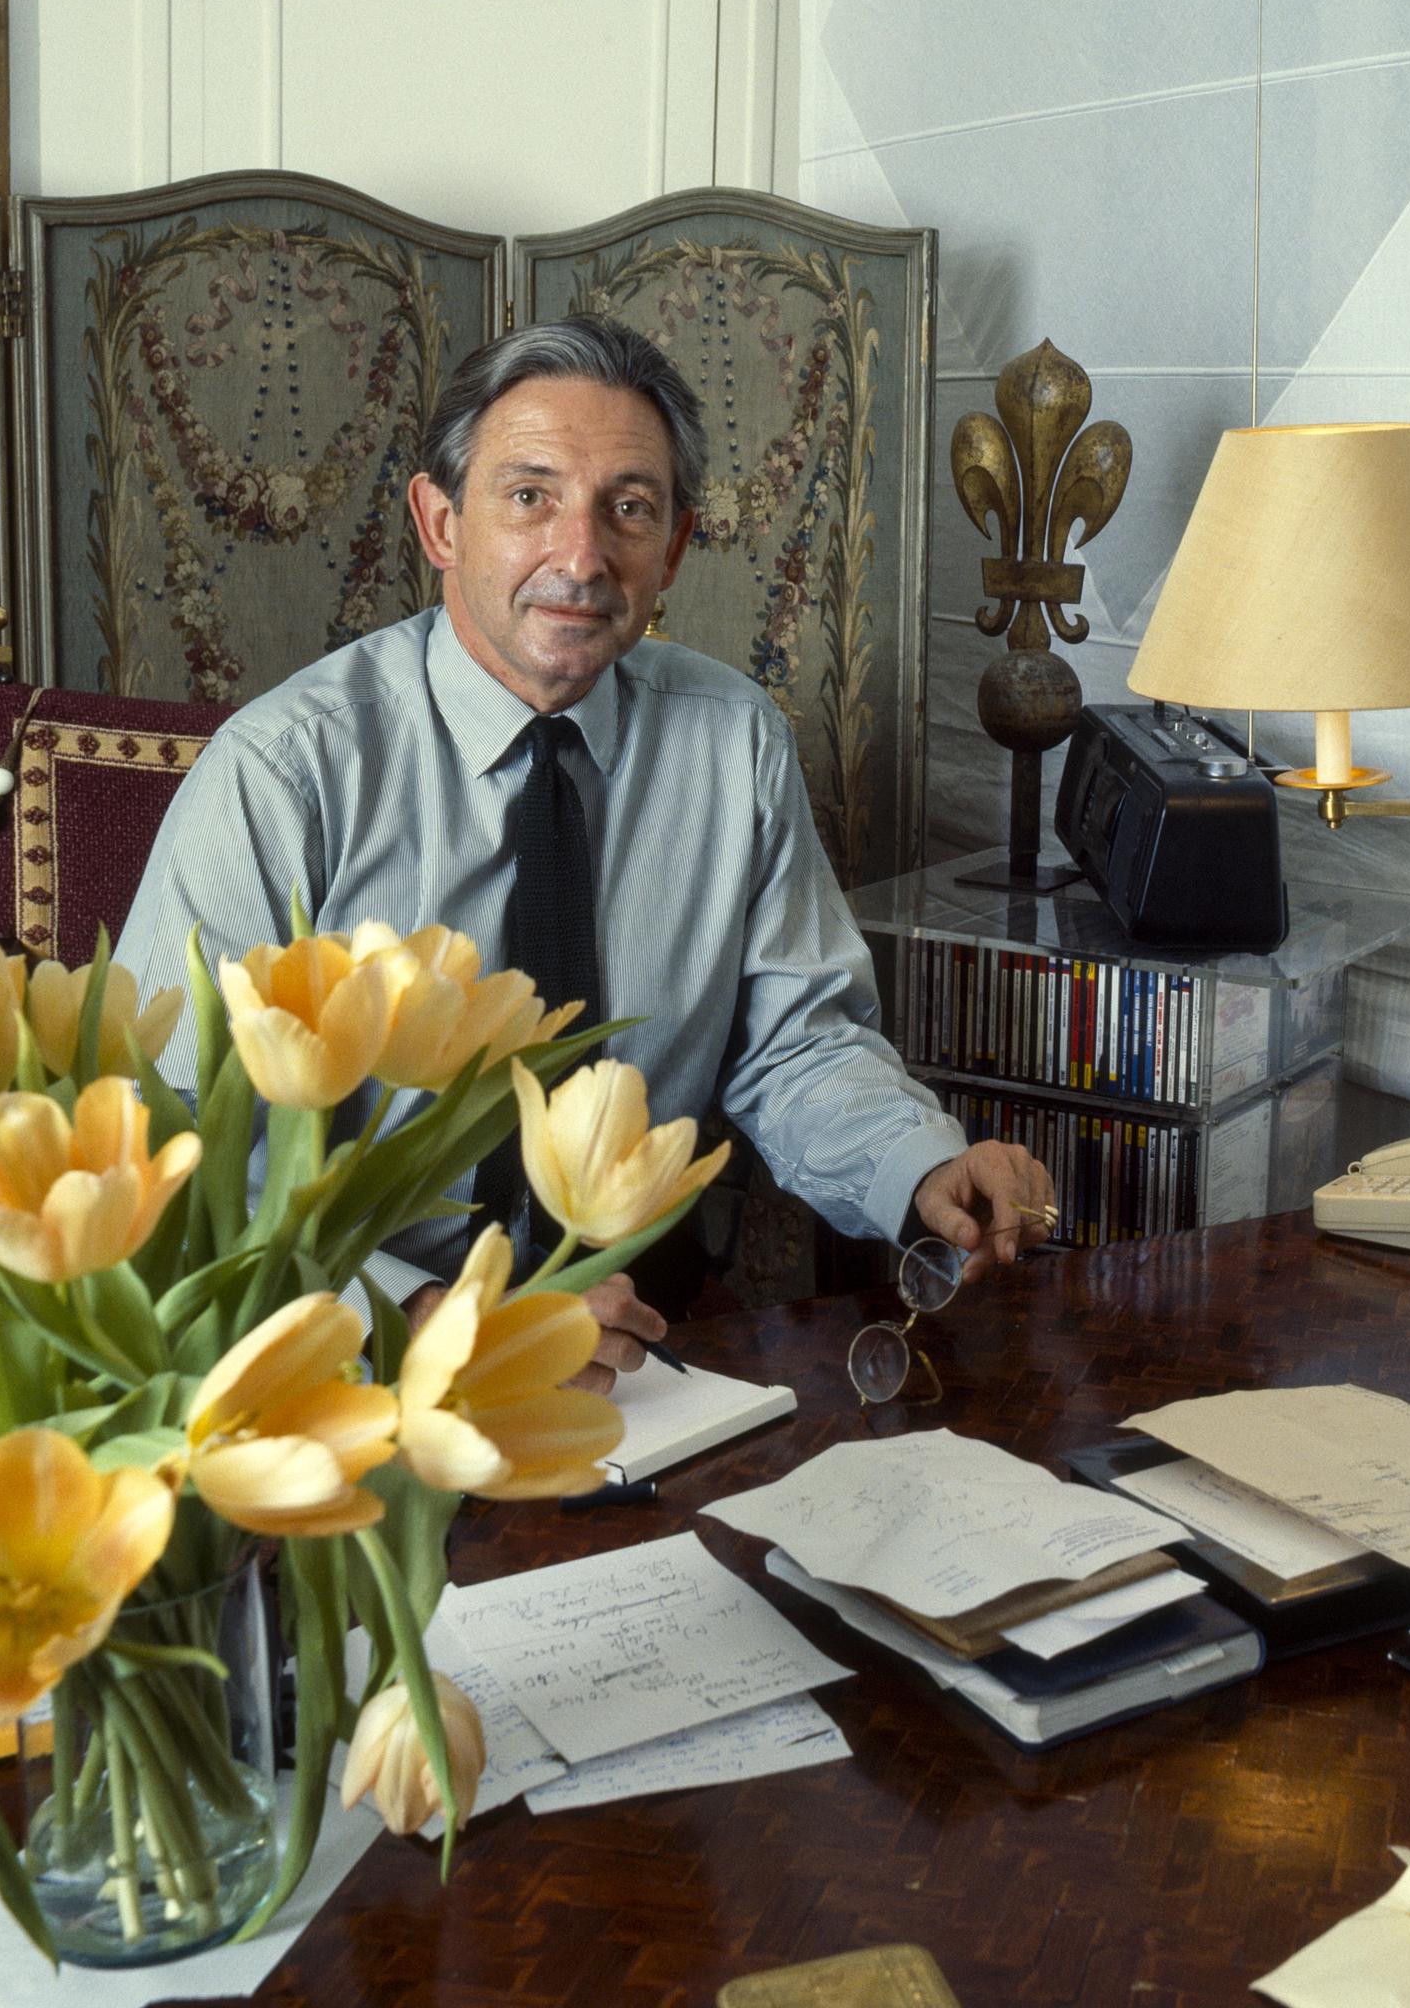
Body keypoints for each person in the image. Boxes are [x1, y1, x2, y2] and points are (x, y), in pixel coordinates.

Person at [118, 315, 1056, 1393]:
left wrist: (919, 1165)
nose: (581, 556)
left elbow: (794, 1043)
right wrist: (415, 1316)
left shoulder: (734, 741)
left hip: (649, 1356)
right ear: (439, 523)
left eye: (629, 508)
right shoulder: (282, 774)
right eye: (530, 497)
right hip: (348, 1358)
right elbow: (169, 1143)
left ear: (675, 547)